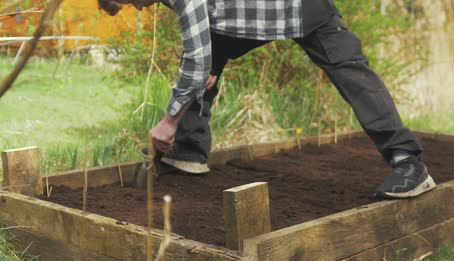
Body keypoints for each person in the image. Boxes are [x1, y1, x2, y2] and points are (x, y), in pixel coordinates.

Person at [98, 0, 436, 198]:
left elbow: (196, 61)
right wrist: (201, 73)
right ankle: (187, 153)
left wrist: (168, 120)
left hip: (303, 8)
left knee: (351, 73)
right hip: (248, 16)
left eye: (129, 0)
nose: (139, 6)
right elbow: (200, 60)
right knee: (207, 57)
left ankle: (407, 162)